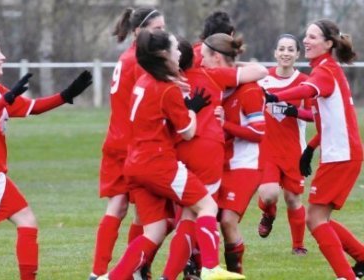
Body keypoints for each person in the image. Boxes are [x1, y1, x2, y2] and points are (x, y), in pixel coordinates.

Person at [99, 29, 245, 280]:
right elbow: (188, 132)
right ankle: (210, 267)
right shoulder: (168, 89)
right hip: (158, 163)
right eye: (176, 48)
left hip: (134, 165)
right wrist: (192, 110)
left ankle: (111, 278)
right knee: (207, 205)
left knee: (153, 232)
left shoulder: (144, 80)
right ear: (163, 54)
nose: (181, 53)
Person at [0, 36, 92, 280]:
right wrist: (6, 99)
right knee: (27, 221)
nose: (3, 57)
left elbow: (30, 106)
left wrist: (65, 95)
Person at [159, 36, 267, 280]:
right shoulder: (211, 76)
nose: (202, 59)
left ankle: (183, 271)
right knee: (203, 211)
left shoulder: (165, 82)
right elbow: (260, 70)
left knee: (188, 214)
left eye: (205, 54)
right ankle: (209, 267)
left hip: (175, 154)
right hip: (208, 153)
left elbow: (259, 132)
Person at [265, 19, 364, 280]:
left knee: (315, 220)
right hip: (340, 154)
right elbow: (326, 121)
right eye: (306, 36)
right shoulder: (326, 68)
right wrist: (309, 148)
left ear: (328, 44)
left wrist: (277, 95)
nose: (306, 41)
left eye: (312, 37)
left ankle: (347, 276)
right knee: (321, 219)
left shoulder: (325, 71)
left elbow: (306, 89)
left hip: (341, 156)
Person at [88, 7, 166, 280]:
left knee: (121, 208)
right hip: (131, 144)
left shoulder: (128, 56)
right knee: (142, 213)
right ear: (137, 31)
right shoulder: (141, 61)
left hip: (116, 140)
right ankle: (131, 270)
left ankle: (101, 272)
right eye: (156, 29)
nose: (162, 34)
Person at [256, 34, 312, 255]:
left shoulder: (305, 82)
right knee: (269, 194)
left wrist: (294, 111)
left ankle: (298, 246)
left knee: (292, 198)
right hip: (267, 149)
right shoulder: (263, 80)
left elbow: (314, 115)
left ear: (298, 54)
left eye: (290, 49)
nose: (285, 53)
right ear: (275, 53)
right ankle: (268, 213)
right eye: (282, 49)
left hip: (293, 150)